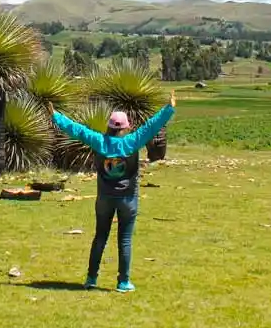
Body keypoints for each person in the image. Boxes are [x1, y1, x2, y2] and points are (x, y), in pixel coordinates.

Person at [49, 90, 176, 293]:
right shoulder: (132, 141)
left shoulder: (99, 141)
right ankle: (123, 282)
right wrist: (169, 108)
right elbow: (152, 126)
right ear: (127, 127)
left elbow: (77, 130)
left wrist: (56, 116)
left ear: (108, 125)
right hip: (128, 199)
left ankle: (91, 278)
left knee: (100, 237)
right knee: (124, 239)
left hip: (105, 199)